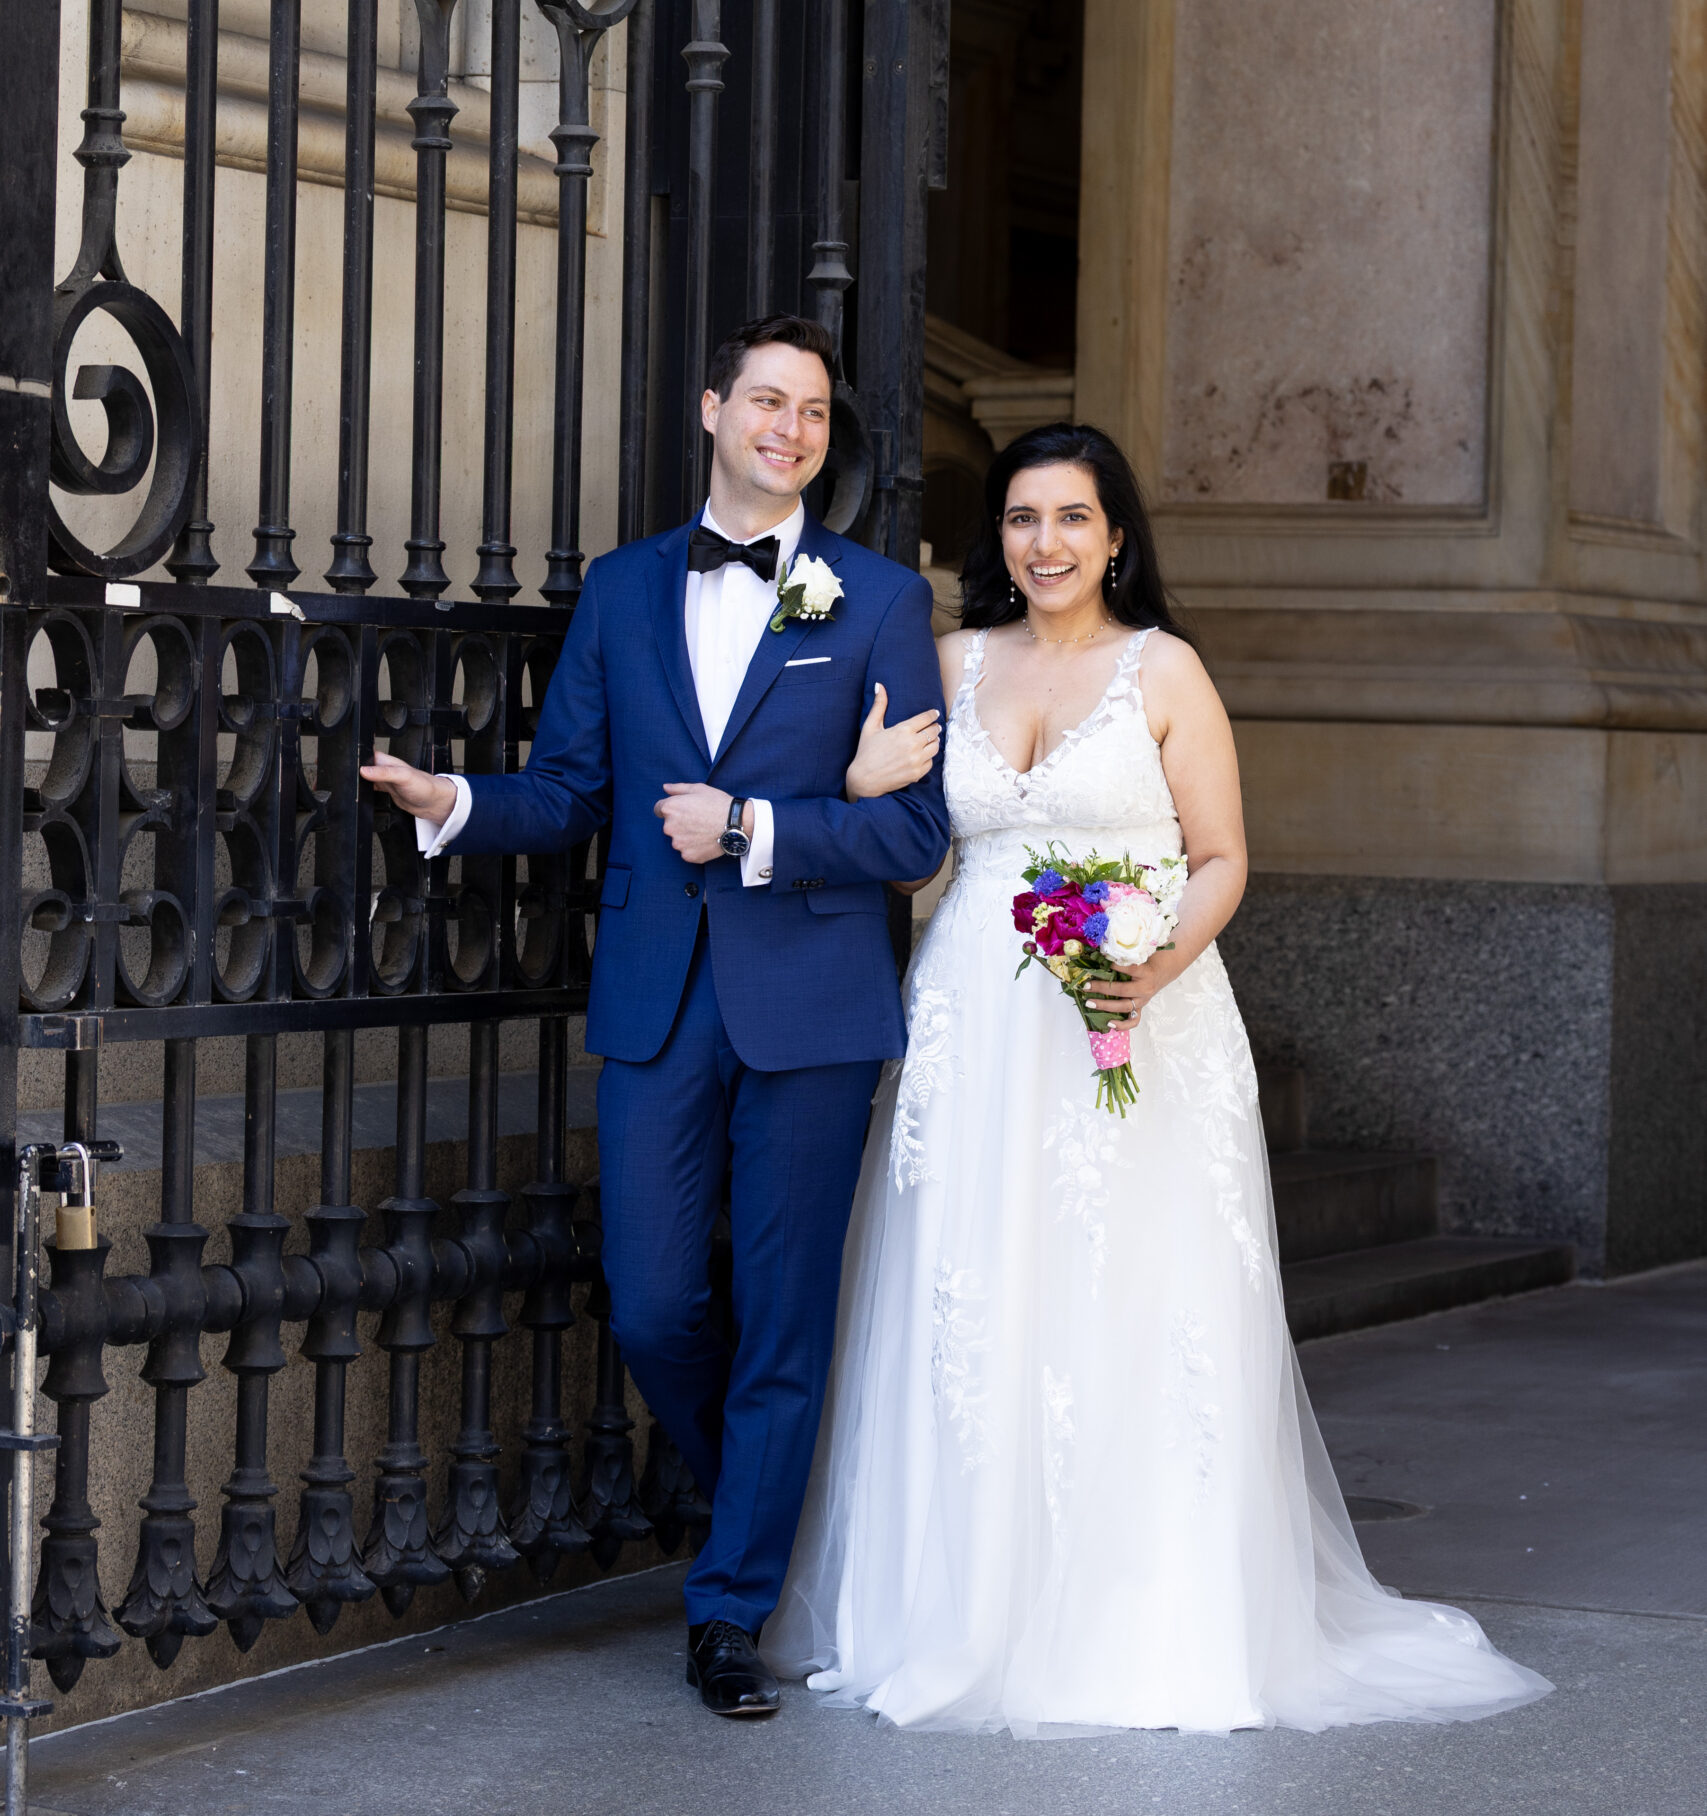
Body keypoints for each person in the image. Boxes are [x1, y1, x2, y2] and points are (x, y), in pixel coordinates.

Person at [769, 422, 1550, 1735]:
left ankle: (1139, 1615)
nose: (1047, 544)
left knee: (1129, 1297)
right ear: (997, 539)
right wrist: (855, 780)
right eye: (1023, 519)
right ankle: (953, 1608)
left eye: (1073, 518)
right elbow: (912, 858)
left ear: (1117, 536)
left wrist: (1148, 964)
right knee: (970, 1295)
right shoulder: (946, 662)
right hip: (974, 1022)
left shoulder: (1166, 671)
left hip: (1137, 1023)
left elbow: (1224, 856)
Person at [363, 315, 949, 1719]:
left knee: (786, 1319)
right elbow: (572, 789)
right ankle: (758, 1490)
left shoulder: (868, 601)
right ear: (711, 410)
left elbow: (917, 832)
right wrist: (456, 806)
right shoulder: (627, 590)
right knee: (656, 1297)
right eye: (766, 400)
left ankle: (729, 1607)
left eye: (811, 412)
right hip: (655, 1001)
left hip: (809, 1006)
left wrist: (757, 826)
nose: (788, 428)